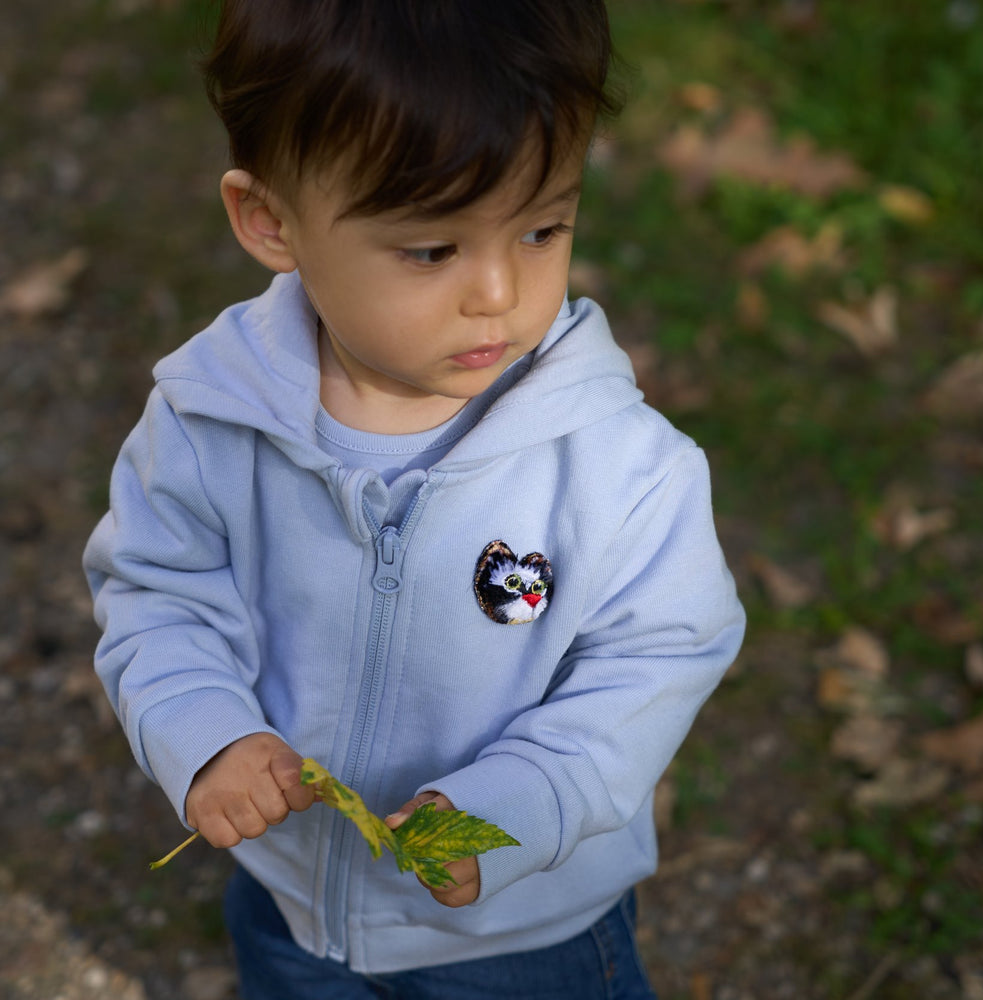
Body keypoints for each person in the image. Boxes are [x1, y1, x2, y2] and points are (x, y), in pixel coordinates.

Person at [83, 1, 746, 997]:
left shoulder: (622, 468)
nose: (495, 292)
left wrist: (513, 808)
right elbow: (156, 592)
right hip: (294, 907)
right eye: (431, 251)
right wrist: (207, 733)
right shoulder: (211, 420)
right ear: (271, 222)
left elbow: (655, 657)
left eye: (540, 228)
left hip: (520, 932)